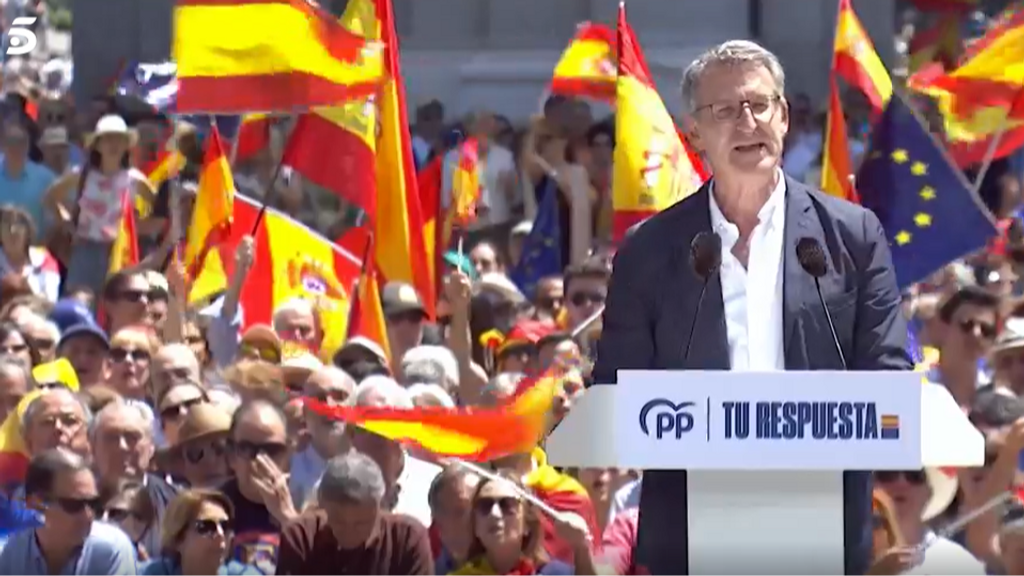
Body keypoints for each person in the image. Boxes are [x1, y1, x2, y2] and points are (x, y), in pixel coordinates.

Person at [592, 40, 912, 576]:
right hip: (688, 537)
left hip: (820, 530)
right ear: (693, 133)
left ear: (783, 118)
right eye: (725, 110)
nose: (748, 122)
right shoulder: (650, 249)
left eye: (760, 105)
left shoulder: (852, 236)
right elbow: (615, 394)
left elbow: (888, 379)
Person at [276, 451, 433, 576]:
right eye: (338, 521)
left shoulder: (407, 538)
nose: (349, 533)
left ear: (380, 506)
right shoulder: (301, 536)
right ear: (322, 505)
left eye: (361, 523)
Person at [0, 448, 140, 575]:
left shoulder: (112, 549)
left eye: (93, 504)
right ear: (36, 504)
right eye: (74, 505)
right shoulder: (10, 554)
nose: (88, 515)